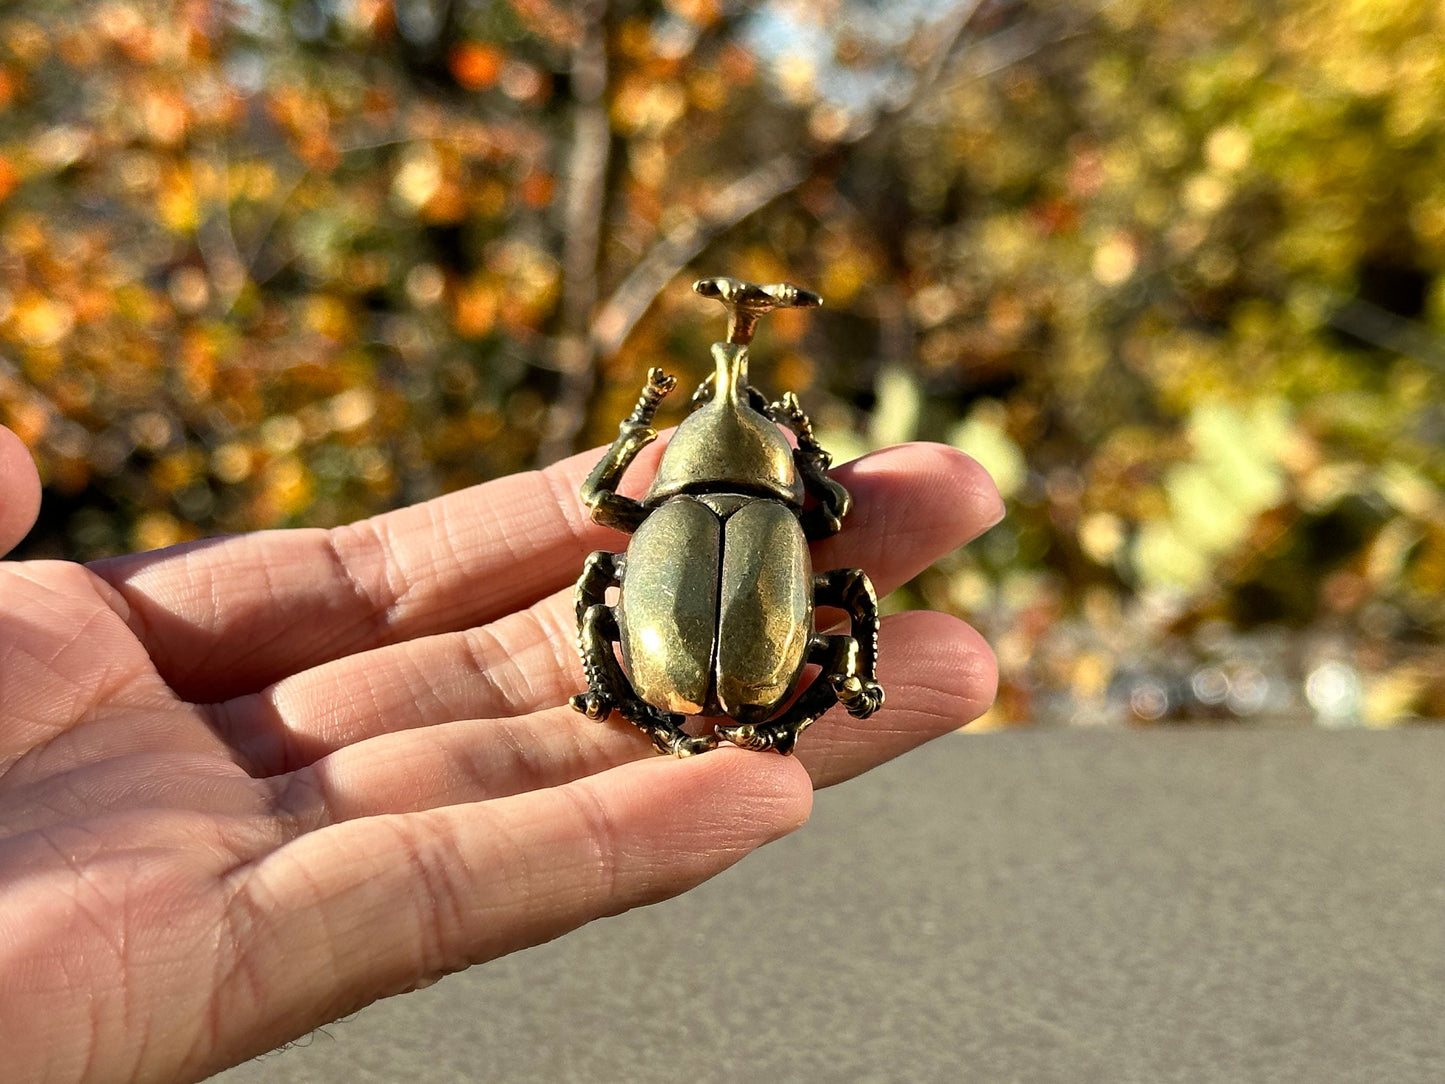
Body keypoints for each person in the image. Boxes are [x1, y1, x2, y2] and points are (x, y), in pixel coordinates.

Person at [0, 422, 1000, 1083]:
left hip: (668, 635)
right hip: (747, 649)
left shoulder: (633, 522)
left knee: (608, 584)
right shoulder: (801, 511)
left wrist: (638, 432)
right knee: (848, 599)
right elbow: (834, 554)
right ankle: (752, 702)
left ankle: (641, 695)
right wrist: (841, 673)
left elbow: (605, 514)